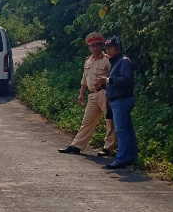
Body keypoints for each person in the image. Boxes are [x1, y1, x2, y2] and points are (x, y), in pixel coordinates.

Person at [58, 32, 116, 156]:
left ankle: (108, 147)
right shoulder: (88, 61)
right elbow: (84, 79)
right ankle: (77, 145)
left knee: (110, 121)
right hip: (92, 95)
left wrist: (106, 84)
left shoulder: (107, 60)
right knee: (87, 121)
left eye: (97, 45)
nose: (95, 48)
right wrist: (81, 94)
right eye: (92, 45)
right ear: (89, 47)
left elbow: (113, 77)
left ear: (101, 46)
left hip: (105, 94)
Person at [95, 35, 138, 169]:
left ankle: (122, 158)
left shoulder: (123, 61)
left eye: (110, 47)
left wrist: (107, 80)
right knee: (127, 129)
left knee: (121, 130)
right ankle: (130, 155)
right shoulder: (115, 61)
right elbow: (116, 82)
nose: (108, 50)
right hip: (117, 100)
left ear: (118, 48)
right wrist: (104, 86)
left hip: (122, 100)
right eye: (106, 47)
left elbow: (126, 80)